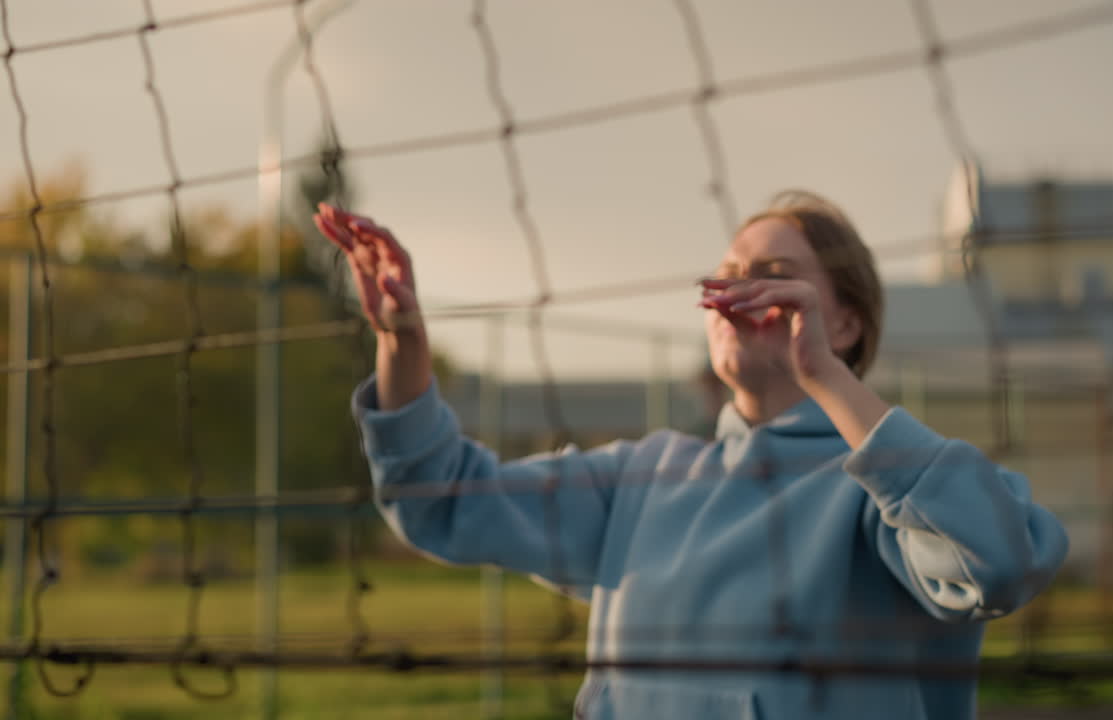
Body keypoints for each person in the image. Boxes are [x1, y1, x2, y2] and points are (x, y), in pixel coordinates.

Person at [314, 190, 1068, 720]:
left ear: (843, 323)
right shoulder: (643, 476)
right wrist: (401, 339)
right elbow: (438, 498)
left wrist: (825, 380)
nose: (738, 290)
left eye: (773, 275)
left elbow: (997, 561)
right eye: (731, 273)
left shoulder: (877, 488)